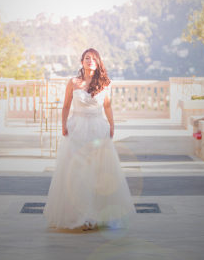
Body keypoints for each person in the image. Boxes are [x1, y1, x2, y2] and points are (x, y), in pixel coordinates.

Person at [44, 48, 135, 231]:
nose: (90, 61)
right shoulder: (73, 82)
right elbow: (66, 106)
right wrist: (63, 125)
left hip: (98, 130)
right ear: (81, 61)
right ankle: (78, 215)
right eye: (87, 58)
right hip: (77, 129)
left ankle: (97, 214)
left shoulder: (104, 83)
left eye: (94, 58)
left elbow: (107, 106)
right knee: (76, 172)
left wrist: (112, 125)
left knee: (98, 172)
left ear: (98, 62)